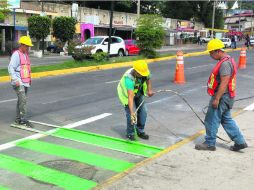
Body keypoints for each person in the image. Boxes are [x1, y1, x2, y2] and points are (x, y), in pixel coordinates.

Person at [195, 39, 247, 151]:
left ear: (217, 51)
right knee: (226, 119)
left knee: (211, 119)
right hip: (228, 96)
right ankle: (240, 141)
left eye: (211, 52)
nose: (210, 55)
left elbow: (224, 82)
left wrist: (217, 99)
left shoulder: (225, 64)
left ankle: (209, 143)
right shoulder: (228, 60)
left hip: (222, 97)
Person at [117, 60, 154, 141]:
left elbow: (148, 80)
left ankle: (140, 131)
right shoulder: (129, 78)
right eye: (140, 74)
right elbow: (130, 96)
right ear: (136, 71)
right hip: (126, 95)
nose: (142, 75)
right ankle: (130, 133)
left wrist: (149, 90)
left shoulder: (145, 71)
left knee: (143, 111)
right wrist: (132, 113)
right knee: (130, 115)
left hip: (138, 92)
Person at [8, 36, 34, 127]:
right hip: (18, 81)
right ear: (22, 45)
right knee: (23, 100)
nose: (28, 48)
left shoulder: (26, 55)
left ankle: (18, 119)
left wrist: (29, 80)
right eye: (27, 46)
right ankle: (22, 120)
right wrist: (15, 79)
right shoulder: (16, 54)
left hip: (25, 81)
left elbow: (26, 69)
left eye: (28, 46)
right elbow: (11, 67)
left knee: (20, 100)